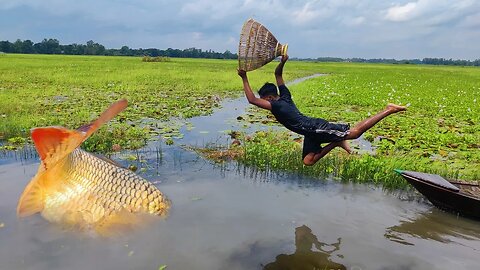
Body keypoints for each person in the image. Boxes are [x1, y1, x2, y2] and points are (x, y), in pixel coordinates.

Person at [237, 55, 406, 166]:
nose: (263, 103)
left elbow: (251, 99)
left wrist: (244, 77)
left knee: (354, 133)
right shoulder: (285, 95)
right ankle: (337, 142)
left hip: (314, 127)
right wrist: (282, 61)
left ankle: (388, 110)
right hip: (310, 132)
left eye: (264, 99)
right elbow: (278, 75)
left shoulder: (276, 105)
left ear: (268, 97)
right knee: (308, 161)